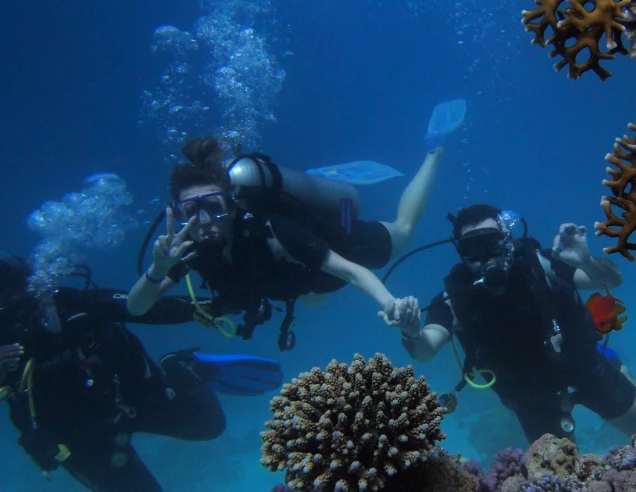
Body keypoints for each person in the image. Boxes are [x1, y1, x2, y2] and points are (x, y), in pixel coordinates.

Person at [127, 136, 438, 349]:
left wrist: (389, 303)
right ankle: (319, 184)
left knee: (404, 231)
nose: (204, 220)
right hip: (303, 280)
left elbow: (351, 271)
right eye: (191, 211)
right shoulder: (186, 251)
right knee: (313, 298)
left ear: (232, 206)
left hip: (340, 247)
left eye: (213, 206)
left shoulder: (273, 230)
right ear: (177, 214)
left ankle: (433, 150)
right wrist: (158, 269)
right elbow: (136, 307)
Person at [395, 204, 636, 443]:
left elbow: (612, 281)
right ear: (460, 252)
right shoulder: (454, 298)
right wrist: (412, 332)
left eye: (492, 243)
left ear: (508, 240)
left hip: (586, 368)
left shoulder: (541, 264)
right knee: (557, 476)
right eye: (471, 248)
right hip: (530, 396)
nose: (484, 256)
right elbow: (425, 350)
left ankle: (615, 365)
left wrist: (587, 262)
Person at [0, 255, 251, 492]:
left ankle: (177, 365)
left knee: (209, 425)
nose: (13, 308)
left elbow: (139, 307)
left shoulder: (71, 304)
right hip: (80, 438)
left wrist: (211, 307)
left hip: (134, 399)